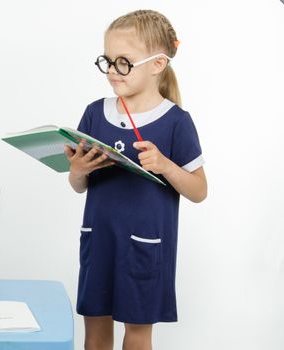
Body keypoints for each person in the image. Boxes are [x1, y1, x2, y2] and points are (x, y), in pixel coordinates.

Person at [64, 10, 207, 350]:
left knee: (138, 334)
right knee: (95, 332)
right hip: (99, 241)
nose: (113, 71)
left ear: (158, 64)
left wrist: (166, 165)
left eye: (124, 62)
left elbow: (199, 191)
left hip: (145, 246)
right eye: (108, 61)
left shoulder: (175, 122)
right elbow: (78, 185)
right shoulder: (95, 112)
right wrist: (78, 171)